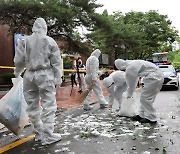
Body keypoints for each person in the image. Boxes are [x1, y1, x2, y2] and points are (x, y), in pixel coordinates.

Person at [14, 18, 62, 145]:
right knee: (49, 105)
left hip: (29, 75)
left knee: (32, 105)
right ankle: (48, 134)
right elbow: (56, 61)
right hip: (45, 74)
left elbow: (18, 61)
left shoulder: (24, 41)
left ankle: (39, 133)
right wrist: (58, 76)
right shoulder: (49, 41)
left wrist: (17, 73)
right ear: (44, 27)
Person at [115, 59, 164, 123]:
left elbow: (132, 83)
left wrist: (129, 94)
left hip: (154, 78)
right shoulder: (132, 63)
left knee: (145, 99)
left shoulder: (130, 68)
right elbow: (135, 80)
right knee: (144, 98)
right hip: (156, 76)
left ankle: (151, 117)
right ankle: (141, 115)